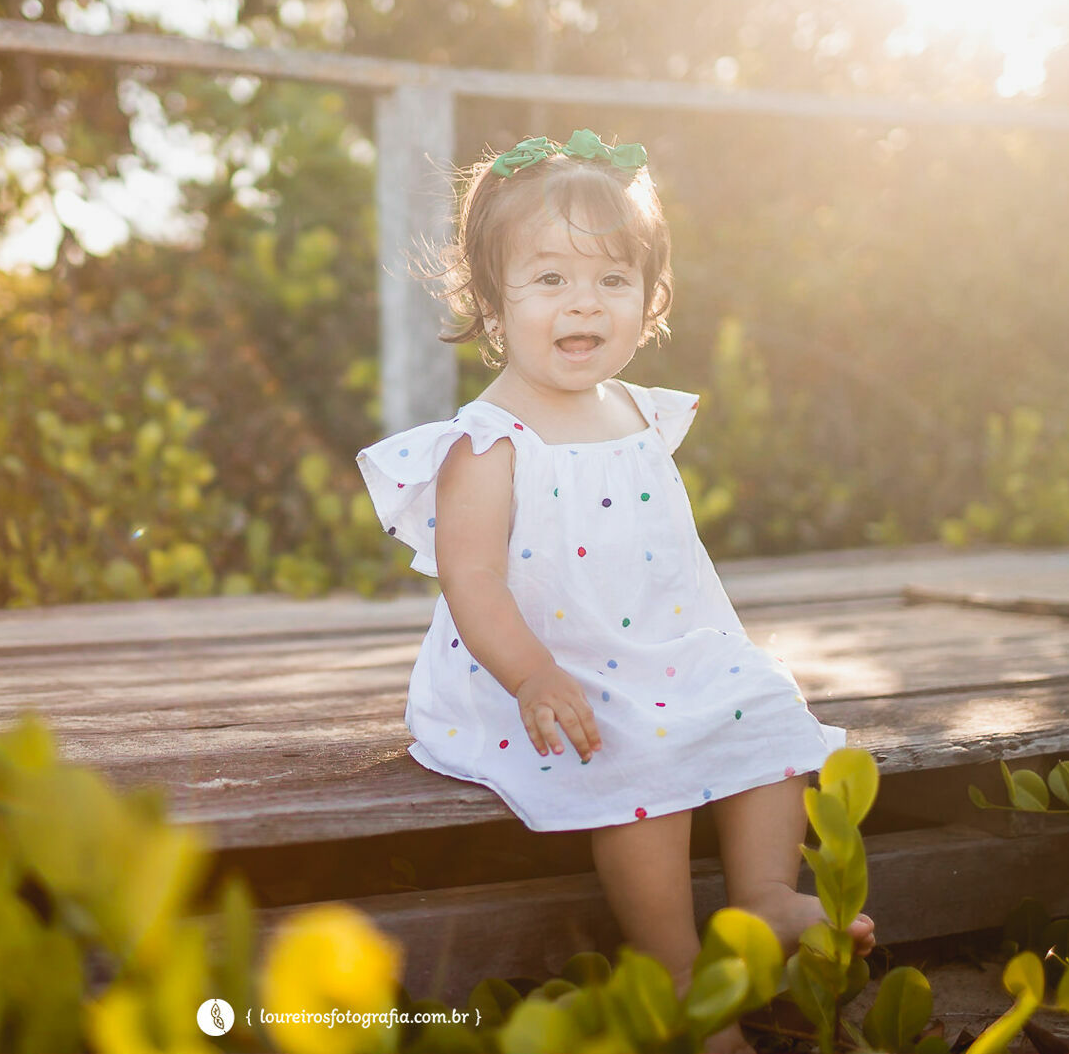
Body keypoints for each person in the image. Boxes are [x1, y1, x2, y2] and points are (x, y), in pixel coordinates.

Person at [355, 130, 874, 1053]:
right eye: (549, 280)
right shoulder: (490, 442)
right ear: (492, 302)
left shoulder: (639, 412)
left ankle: (761, 894)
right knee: (636, 750)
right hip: (537, 669)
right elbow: (473, 580)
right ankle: (674, 973)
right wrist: (530, 676)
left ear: (652, 298)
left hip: (655, 647)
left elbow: (657, 560)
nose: (581, 303)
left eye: (610, 280)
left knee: (764, 705)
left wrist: (703, 654)